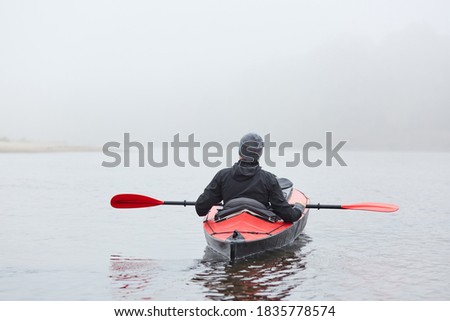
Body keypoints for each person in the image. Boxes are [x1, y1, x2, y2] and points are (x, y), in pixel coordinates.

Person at [195, 133, 303, 222]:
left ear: (240, 150)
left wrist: (218, 196)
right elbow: (290, 217)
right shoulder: (269, 179)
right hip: (260, 221)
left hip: (228, 220)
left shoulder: (222, 176)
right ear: (259, 153)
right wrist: (299, 208)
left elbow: (200, 209)